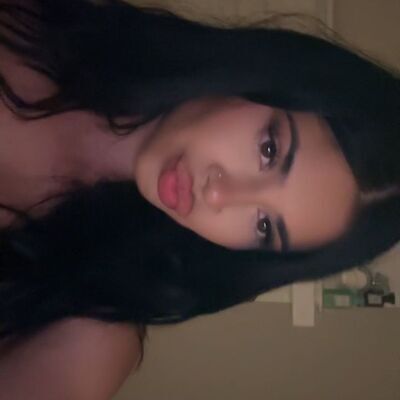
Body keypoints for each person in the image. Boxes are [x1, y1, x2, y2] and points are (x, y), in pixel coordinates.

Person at [0, 0, 398, 398]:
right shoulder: (45, 28)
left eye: (264, 227)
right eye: (269, 151)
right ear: (265, 75)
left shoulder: (92, 330)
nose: (218, 194)